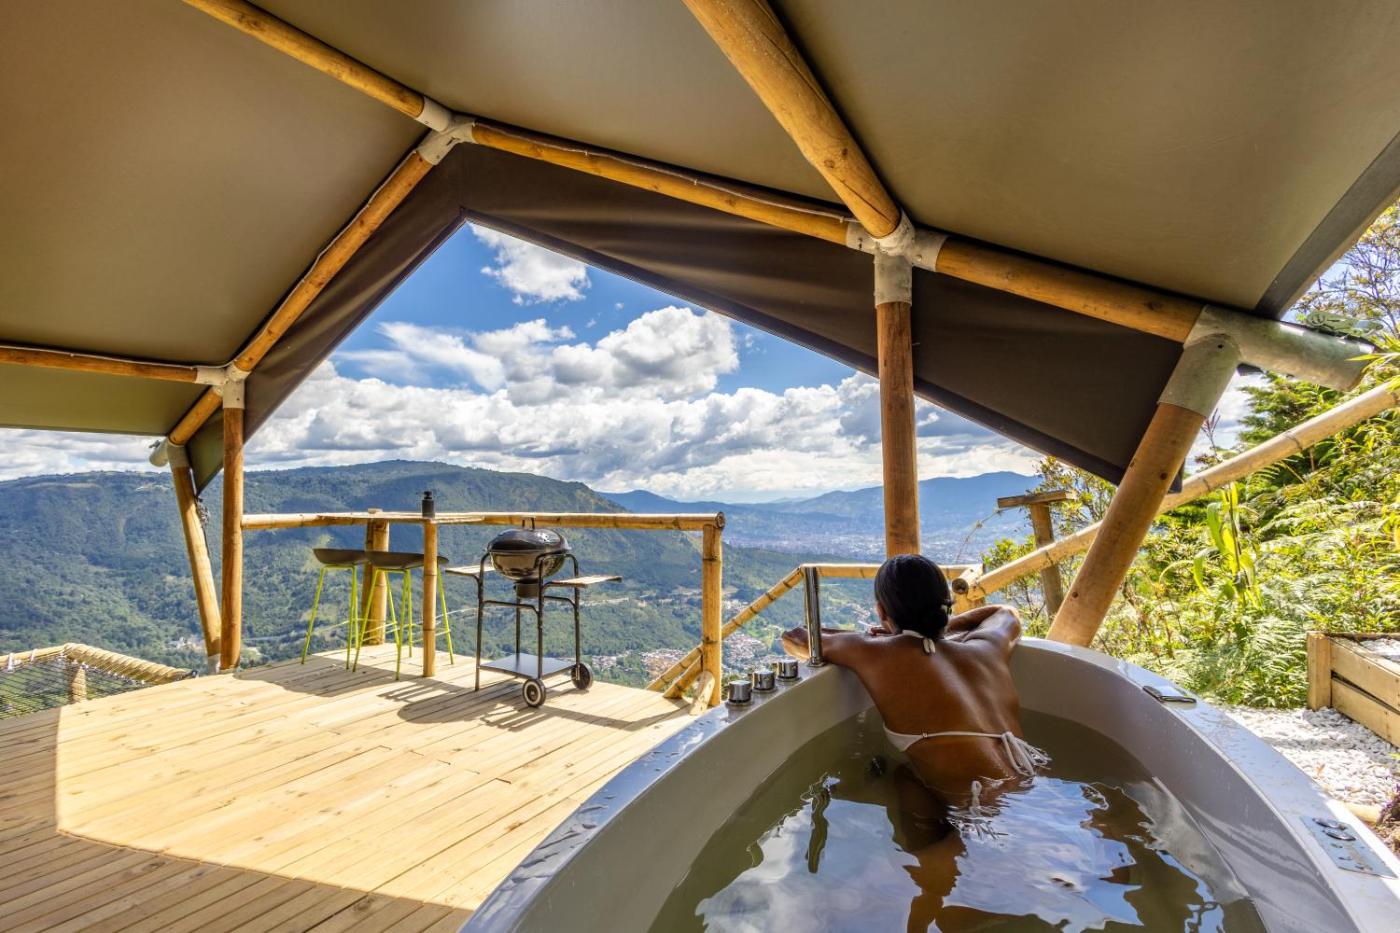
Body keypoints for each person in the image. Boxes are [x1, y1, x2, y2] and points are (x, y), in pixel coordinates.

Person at [781, 553, 1046, 809]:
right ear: (945, 605)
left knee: (902, 779)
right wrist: (940, 627)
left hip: (981, 808)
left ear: (881, 611)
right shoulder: (986, 648)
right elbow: (1006, 612)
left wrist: (885, 637)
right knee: (905, 777)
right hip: (1033, 786)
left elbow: (796, 639)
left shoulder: (875, 652)